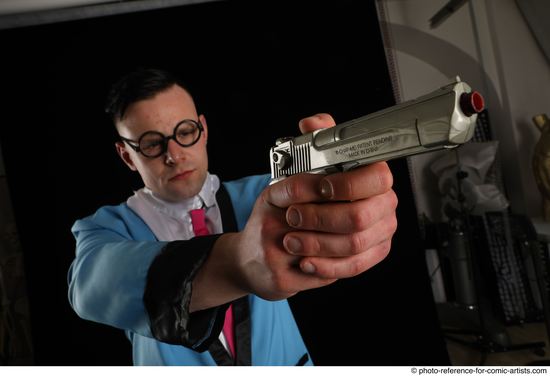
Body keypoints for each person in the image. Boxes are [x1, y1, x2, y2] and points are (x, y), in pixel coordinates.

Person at [68, 68, 398, 366]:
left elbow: (315, 195)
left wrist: (346, 189)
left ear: (204, 129)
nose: (175, 155)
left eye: (185, 132)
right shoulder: (105, 229)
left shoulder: (264, 196)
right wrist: (238, 262)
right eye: (152, 144)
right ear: (127, 155)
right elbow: (88, 287)